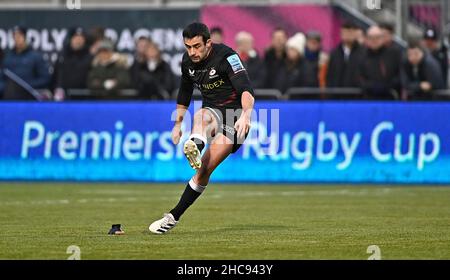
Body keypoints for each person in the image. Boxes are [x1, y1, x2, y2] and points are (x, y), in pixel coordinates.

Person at [149, 22, 255, 234]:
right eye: (188, 47)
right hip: (212, 111)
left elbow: (246, 89)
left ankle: (175, 214)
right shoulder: (187, 61)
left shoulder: (227, 57)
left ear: (208, 42)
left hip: (235, 117)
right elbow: (184, 93)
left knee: (205, 168)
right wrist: (178, 124)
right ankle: (196, 143)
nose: (193, 52)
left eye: (197, 46)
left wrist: (246, 115)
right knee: (201, 115)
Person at [0, 25, 51, 100]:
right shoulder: (8, 58)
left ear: (25, 37)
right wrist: (5, 87)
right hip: (10, 97)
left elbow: (45, 78)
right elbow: (2, 78)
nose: (17, 39)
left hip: (29, 97)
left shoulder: (35, 57)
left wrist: (28, 85)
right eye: (15, 36)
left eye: (20, 36)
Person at [359, 25, 401, 100]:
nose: (374, 40)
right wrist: (372, 87)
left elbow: (399, 75)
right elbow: (359, 78)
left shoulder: (394, 54)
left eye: (377, 37)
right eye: (371, 38)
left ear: (382, 38)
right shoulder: (361, 56)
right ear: (367, 39)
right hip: (367, 99)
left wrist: (386, 86)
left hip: (390, 99)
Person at [54, 27, 93, 100]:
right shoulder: (63, 55)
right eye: (76, 38)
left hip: (83, 96)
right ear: (71, 39)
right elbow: (56, 75)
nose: (78, 41)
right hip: (64, 97)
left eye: (81, 38)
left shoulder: (89, 56)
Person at [326, 21, 364, 88]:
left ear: (356, 34)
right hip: (336, 94)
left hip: (356, 94)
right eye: (345, 32)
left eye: (351, 32)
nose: (348, 35)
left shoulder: (364, 53)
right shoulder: (334, 53)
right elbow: (329, 76)